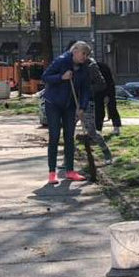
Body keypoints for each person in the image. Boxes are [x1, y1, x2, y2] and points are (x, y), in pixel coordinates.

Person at [41, 41, 94, 184]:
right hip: (53, 103)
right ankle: (52, 172)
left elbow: (85, 89)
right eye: (83, 53)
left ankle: (70, 171)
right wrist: (61, 77)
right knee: (55, 135)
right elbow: (45, 77)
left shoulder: (84, 68)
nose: (85, 57)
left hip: (70, 105)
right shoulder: (61, 61)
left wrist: (82, 107)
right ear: (75, 51)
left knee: (69, 136)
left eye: (87, 55)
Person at [79, 57, 114, 166]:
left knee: (92, 131)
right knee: (68, 130)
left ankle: (106, 152)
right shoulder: (68, 64)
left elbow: (101, 84)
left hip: (87, 102)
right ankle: (68, 158)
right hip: (72, 103)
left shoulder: (91, 66)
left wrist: (86, 89)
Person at [93, 59, 122, 135]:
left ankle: (116, 127)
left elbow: (109, 81)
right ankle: (98, 129)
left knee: (111, 108)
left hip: (107, 89)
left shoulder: (101, 67)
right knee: (99, 110)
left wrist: (107, 94)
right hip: (98, 91)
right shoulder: (97, 66)